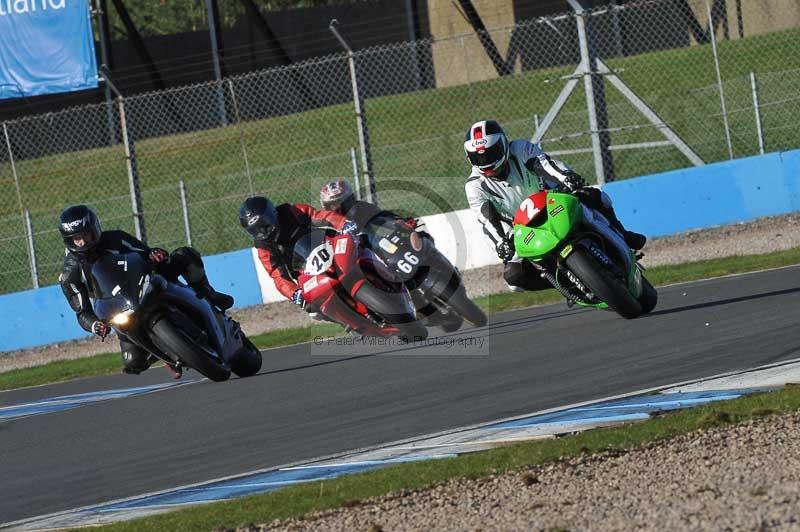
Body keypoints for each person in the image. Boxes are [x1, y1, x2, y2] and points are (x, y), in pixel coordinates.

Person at [463, 119, 647, 292]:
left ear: (503, 145)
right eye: (479, 158)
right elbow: (486, 219)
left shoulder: (519, 148)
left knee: (595, 196)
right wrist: (500, 242)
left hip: (553, 199)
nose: (486, 161)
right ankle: (565, 284)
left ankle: (622, 234)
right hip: (522, 229)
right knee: (514, 277)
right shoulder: (474, 186)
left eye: (491, 154)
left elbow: (545, 164)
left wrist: (566, 176)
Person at [58, 205, 234, 377]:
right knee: (133, 362)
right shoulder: (69, 275)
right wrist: (95, 325)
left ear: (94, 229)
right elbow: (82, 312)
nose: (82, 242)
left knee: (184, 255)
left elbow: (145, 252)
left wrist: (155, 254)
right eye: (77, 239)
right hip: (117, 307)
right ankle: (166, 353)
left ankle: (208, 293)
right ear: (69, 240)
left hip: (146, 283)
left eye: (86, 235)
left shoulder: (116, 238)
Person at [238, 196, 356, 310]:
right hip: (306, 272)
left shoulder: (292, 212)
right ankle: (351, 324)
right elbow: (278, 276)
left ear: (271, 214)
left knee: (360, 247)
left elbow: (319, 216)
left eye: (263, 224)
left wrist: (343, 224)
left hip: (329, 247)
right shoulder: (263, 248)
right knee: (313, 308)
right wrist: (294, 293)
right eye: (255, 229)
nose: (261, 231)